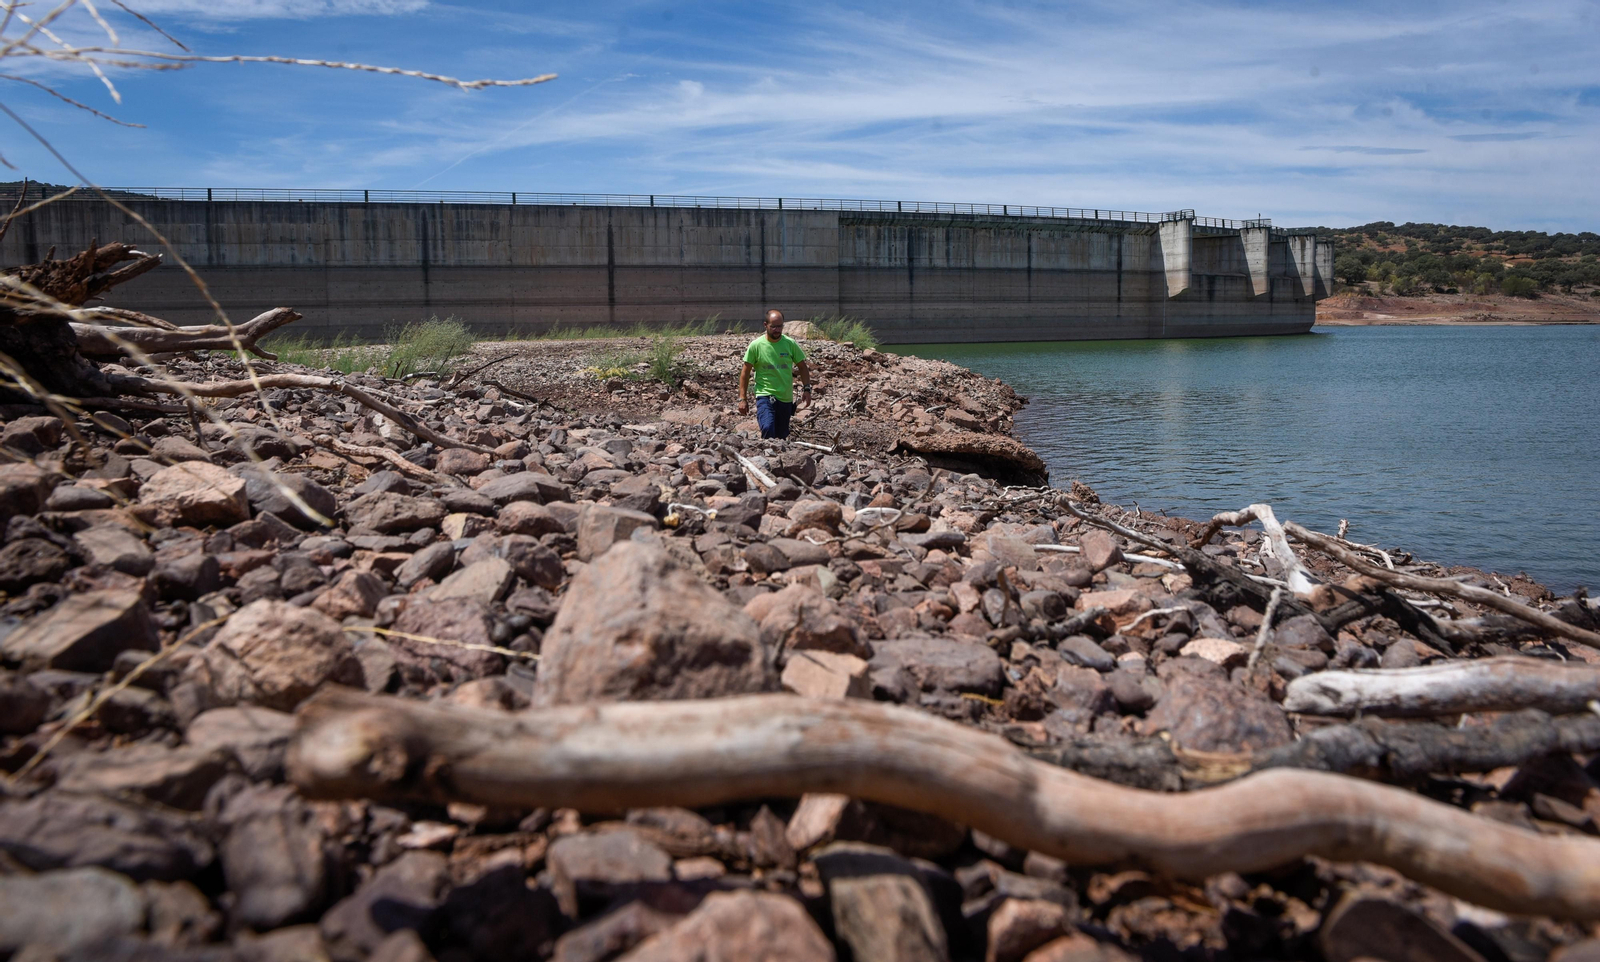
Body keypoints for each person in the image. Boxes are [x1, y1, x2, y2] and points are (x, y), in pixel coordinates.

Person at [738, 309, 814, 439]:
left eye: (780, 326)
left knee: (781, 436)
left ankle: (776, 458)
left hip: (785, 398)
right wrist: (742, 399)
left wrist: (807, 389)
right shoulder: (756, 346)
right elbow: (745, 373)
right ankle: (766, 455)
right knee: (767, 427)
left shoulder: (790, 344)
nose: (777, 330)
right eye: (773, 326)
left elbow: (802, 367)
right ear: (765, 325)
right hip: (765, 395)